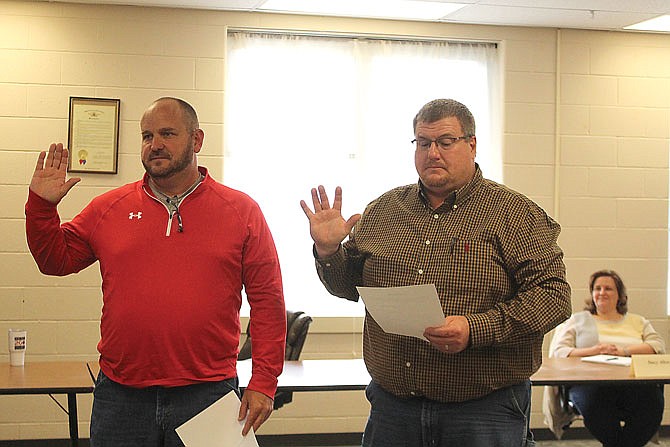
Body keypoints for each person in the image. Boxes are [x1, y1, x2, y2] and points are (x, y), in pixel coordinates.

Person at [300, 98, 572, 447]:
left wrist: (474, 328)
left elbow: (553, 298)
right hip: (393, 408)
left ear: (471, 144)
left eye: (445, 142)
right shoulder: (384, 211)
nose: (432, 153)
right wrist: (328, 251)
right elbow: (347, 287)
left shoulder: (516, 214)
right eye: (423, 143)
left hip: (483, 410)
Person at [25, 97, 286, 446]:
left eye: (167, 133)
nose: (155, 144)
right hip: (122, 396)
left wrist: (264, 381)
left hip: (209, 393)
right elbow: (55, 260)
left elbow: (268, 301)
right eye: (147, 136)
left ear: (197, 140)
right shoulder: (109, 208)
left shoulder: (241, 211)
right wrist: (41, 207)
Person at [547, 269, 665, 447]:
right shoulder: (577, 321)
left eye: (608, 289)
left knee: (653, 401)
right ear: (592, 293)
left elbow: (657, 346)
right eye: (597, 288)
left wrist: (624, 351)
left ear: (619, 295)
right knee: (596, 403)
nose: (602, 293)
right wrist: (595, 350)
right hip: (589, 383)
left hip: (633, 383)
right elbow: (560, 351)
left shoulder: (638, 321)